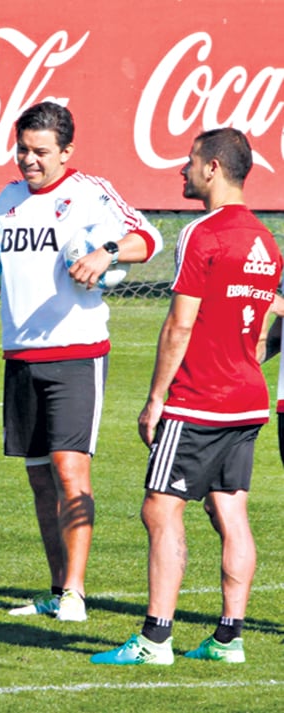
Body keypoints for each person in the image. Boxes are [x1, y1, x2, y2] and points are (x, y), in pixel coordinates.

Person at [91, 128, 281, 665]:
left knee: (160, 508)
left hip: (200, 397)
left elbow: (180, 324)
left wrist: (156, 398)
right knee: (230, 509)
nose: (183, 169)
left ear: (213, 168)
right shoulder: (266, 242)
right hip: (248, 397)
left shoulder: (203, 233)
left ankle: (155, 639)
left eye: (191, 160)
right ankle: (228, 638)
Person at [0, 101, 163, 622]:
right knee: (40, 479)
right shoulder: (6, 200)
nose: (29, 159)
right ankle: (55, 586)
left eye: (41, 151)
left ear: (67, 152)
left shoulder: (89, 192)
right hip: (20, 355)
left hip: (77, 354)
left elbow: (148, 238)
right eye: (23, 149)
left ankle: (75, 594)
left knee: (70, 471)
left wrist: (105, 251)